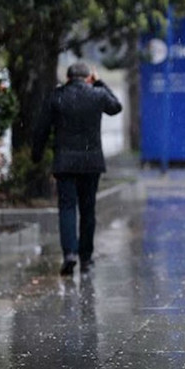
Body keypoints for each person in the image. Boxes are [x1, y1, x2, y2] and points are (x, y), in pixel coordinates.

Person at [33, 62, 122, 276]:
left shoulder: (57, 96)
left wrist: (36, 155)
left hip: (65, 163)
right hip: (91, 163)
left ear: (67, 77)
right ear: (88, 77)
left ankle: (69, 254)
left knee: (67, 208)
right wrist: (100, 81)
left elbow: (42, 128)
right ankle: (86, 257)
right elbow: (116, 107)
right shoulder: (98, 94)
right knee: (88, 210)